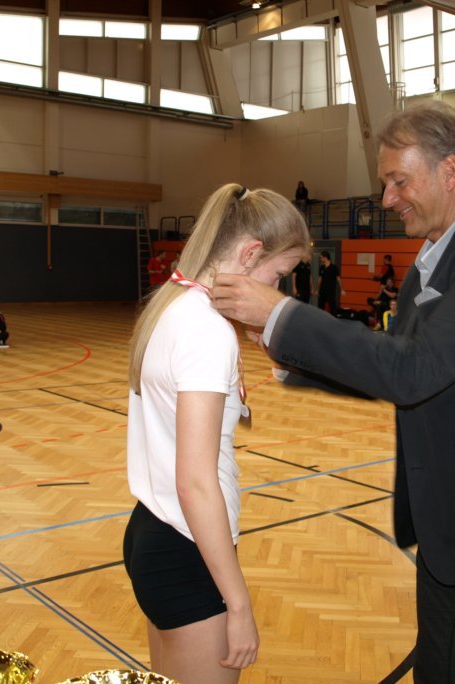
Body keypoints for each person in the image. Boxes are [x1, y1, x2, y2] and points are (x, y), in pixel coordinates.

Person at [213, 101, 455, 683]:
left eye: (399, 181)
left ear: (449, 171)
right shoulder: (432, 259)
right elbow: (399, 365)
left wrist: (283, 313)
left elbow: (414, 370)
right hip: (451, 525)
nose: (388, 199)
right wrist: (289, 357)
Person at [123, 183, 309, 684]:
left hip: (153, 529)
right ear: (250, 254)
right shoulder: (205, 331)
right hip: (188, 545)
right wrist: (239, 603)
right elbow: (196, 482)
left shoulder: (173, 303)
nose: (278, 288)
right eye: (279, 274)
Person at [313, 250, 344, 314]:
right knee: (320, 308)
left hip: (331, 292)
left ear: (325, 257)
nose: (320, 259)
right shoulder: (322, 268)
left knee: (333, 308)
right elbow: (319, 279)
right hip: (322, 291)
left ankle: (334, 319)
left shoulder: (334, 268)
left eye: (321, 257)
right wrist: (317, 290)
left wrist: (342, 289)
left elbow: (338, 279)